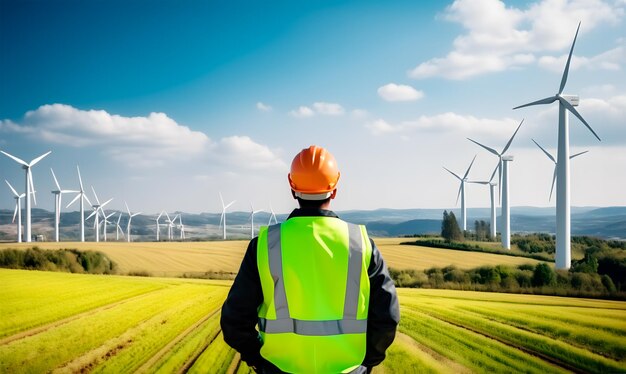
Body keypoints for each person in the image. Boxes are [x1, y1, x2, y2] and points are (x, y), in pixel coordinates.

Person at [221, 145, 400, 373]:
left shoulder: (265, 245)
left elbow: (233, 322)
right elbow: (388, 317)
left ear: (291, 186)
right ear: (335, 188)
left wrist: (260, 361)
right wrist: (366, 363)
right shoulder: (361, 243)